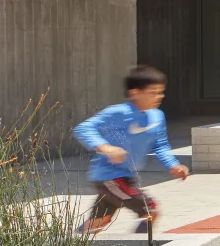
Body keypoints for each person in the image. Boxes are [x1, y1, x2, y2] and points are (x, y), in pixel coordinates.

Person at [73, 66, 188, 235]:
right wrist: (105, 147)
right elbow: (83, 128)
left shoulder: (157, 116)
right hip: (109, 177)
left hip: (126, 177)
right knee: (150, 210)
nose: (159, 97)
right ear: (134, 93)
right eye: (153, 92)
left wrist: (173, 164)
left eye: (161, 92)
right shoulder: (119, 112)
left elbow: (160, 145)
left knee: (98, 222)